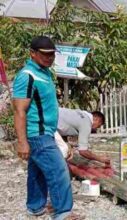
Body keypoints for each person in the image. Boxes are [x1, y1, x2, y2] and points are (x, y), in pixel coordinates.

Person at [12, 36, 75, 219]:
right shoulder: (27, 76)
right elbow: (19, 111)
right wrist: (22, 142)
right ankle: (63, 212)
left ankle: (35, 207)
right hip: (37, 134)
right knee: (59, 170)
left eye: (52, 54)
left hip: (46, 132)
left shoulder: (45, 73)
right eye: (45, 54)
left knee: (37, 172)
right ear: (32, 53)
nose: (49, 58)